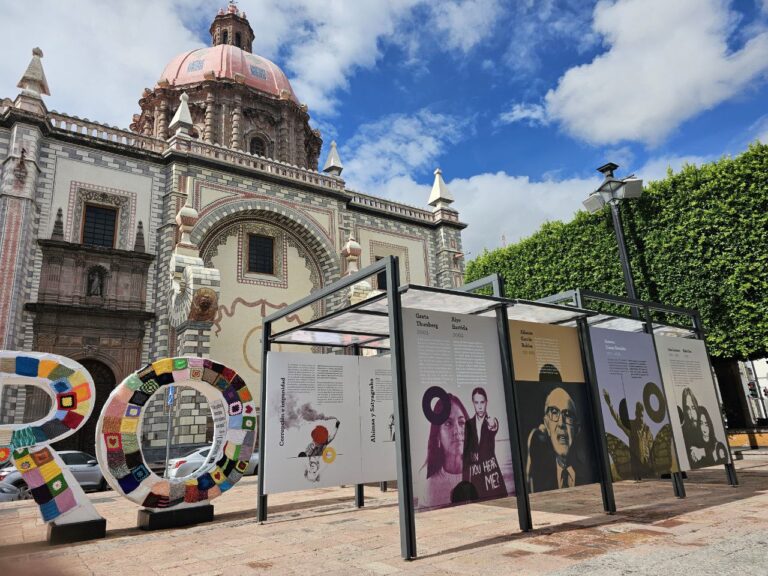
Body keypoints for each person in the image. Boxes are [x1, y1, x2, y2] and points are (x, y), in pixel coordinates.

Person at [526, 387, 587, 492]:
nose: (561, 423)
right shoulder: (539, 478)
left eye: (567, 415)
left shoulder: (589, 472)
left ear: (577, 429)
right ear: (547, 425)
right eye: (554, 412)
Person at [417, 394, 469, 508]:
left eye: (461, 423)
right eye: (448, 423)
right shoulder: (430, 487)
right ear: (438, 435)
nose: (457, 431)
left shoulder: (480, 473)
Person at [462, 387, 507, 499]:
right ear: (473, 403)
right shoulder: (468, 424)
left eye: (482, 402)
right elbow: (466, 453)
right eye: (476, 402)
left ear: (486, 402)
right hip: (476, 474)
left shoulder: (490, 421)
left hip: (491, 473)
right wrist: (465, 481)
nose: (480, 406)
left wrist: (493, 424)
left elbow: (494, 427)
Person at [602, 390, 655, 478]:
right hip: (637, 469)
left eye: (642, 415)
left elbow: (651, 447)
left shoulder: (647, 430)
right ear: (636, 414)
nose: (641, 418)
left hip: (648, 468)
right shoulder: (632, 428)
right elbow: (618, 420)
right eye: (639, 415)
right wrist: (610, 405)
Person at [298, 418, 340, 482]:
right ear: (317, 469)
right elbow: (332, 437)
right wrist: (336, 426)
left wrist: (311, 449)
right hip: (322, 440)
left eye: (309, 471)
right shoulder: (321, 459)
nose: (311, 470)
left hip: (318, 437)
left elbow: (303, 455)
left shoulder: (308, 455)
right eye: (314, 473)